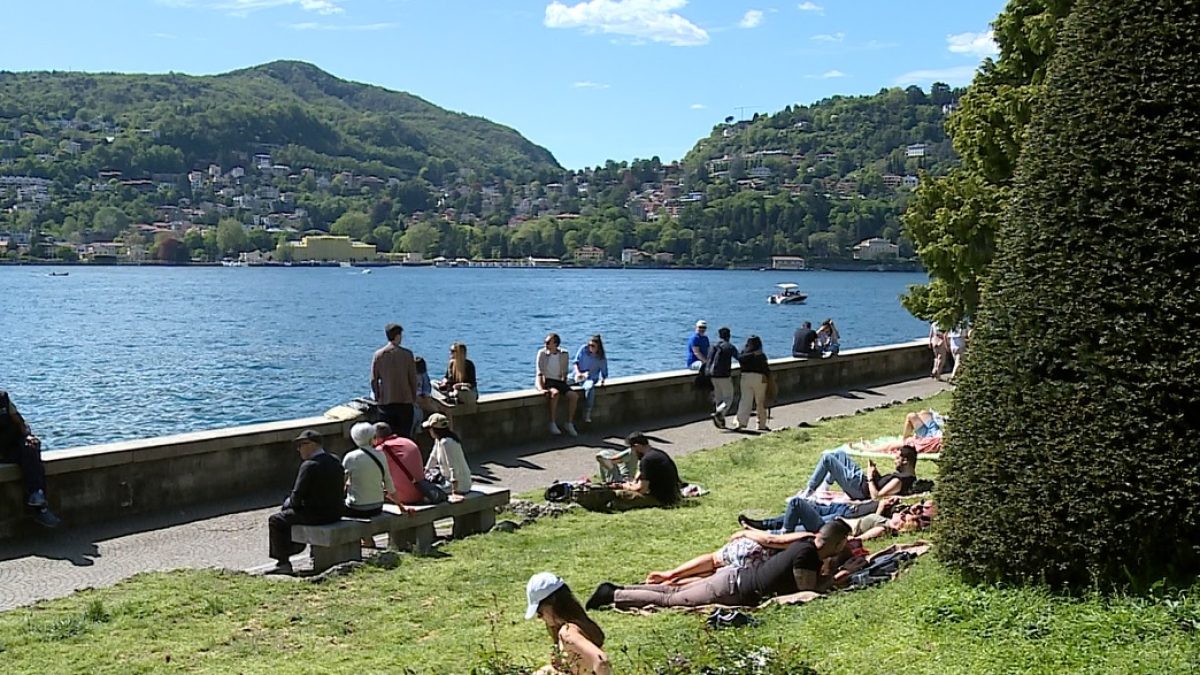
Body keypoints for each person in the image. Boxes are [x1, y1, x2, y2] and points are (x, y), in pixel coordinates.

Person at [587, 520, 852, 610]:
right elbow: (809, 592)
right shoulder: (807, 557)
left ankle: (619, 589)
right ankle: (613, 594)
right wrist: (840, 575)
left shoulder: (805, 544)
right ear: (837, 545)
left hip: (734, 577)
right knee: (672, 599)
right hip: (733, 587)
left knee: (673, 593)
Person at [266, 429, 345, 575]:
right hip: (336, 512)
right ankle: (302, 549)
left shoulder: (309, 465)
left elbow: (297, 498)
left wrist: (288, 503)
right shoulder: (334, 460)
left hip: (316, 515)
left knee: (276, 520)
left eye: (301, 445)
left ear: (311, 444)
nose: (298, 449)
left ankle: (283, 562)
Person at [525, 572, 611, 675]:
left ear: (552, 604)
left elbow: (601, 661)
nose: (540, 618)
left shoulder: (568, 633)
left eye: (539, 612)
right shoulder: (581, 624)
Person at [0, 390, 61, 528]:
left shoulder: (3, 398)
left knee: (31, 447)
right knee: (32, 462)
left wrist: (28, 435)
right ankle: (40, 508)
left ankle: (38, 497)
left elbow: (19, 421)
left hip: (12, 446)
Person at [797, 445, 920, 501]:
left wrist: (871, 477)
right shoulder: (903, 477)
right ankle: (825, 486)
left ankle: (809, 491)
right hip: (861, 481)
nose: (894, 461)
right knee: (840, 454)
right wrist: (875, 474)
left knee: (827, 458)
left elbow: (876, 497)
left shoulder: (900, 480)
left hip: (859, 490)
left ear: (905, 461)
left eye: (897, 458)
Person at [371, 323, 420, 439]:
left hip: (386, 402)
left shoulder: (378, 355)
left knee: (386, 438)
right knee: (404, 437)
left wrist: (378, 396)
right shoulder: (407, 355)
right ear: (397, 336)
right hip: (404, 402)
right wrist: (413, 397)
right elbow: (413, 379)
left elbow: (374, 380)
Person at [343, 422, 394, 518]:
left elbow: (342, 482)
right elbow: (388, 480)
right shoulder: (381, 454)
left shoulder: (350, 457)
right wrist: (400, 505)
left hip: (356, 508)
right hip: (378, 507)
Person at [374, 422, 426, 507]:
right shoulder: (408, 441)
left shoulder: (381, 450)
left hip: (402, 497)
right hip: (421, 491)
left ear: (376, 437)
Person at [536, 333, 579, 437]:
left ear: (555, 344)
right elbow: (539, 372)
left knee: (574, 396)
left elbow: (565, 372)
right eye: (545, 342)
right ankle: (552, 422)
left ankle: (569, 423)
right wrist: (541, 388)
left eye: (548, 342)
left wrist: (566, 382)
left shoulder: (564, 354)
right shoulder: (542, 354)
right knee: (555, 394)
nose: (545, 344)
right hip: (548, 381)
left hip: (559, 381)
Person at [423, 413, 472, 499]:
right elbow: (433, 457)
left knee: (428, 492)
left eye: (430, 429)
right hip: (446, 480)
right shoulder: (438, 440)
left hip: (459, 485)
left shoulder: (447, 443)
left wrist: (454, 491)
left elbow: (452, 466)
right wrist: (425, 472)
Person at [731, 335, 771, 432]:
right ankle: (761, 424)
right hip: (759, 378)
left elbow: (739, 358)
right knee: (760, 402)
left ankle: (741, 422)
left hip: (745, 377)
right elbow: (765, 368)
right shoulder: (760, 355)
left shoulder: (744, 353)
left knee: (745, 400)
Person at [706, 327, 739, 429]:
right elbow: (739, 357)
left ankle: (720, 422)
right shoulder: (729, 347)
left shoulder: (713, 346)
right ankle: (719, 413)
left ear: (719, 335)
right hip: (724, 375)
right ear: (729, 336)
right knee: (728, 398)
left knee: (719, 398)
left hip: (713, 375)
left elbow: (708, 360)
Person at [573, 335, 608, 424]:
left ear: (598, 347)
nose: (590, 347)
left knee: (589, 387)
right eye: (589, 345)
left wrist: (603, 380)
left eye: (593, 346)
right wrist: (578, 373)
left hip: (589, 378)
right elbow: (575, 362)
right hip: (578, 376)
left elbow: (604, 372)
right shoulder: (583, 350)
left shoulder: (601, 358)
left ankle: (587, 412)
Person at [436, 341, 478, 406]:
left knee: (461, 390)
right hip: (451, 389)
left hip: (464, 391)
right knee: (433, 383)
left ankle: (451, 397)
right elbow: (446, 377)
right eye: (450, 351)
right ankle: (450, 397)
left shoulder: (469, 365)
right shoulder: (451, 364)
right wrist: (444, 382)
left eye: (453, 351)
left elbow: (472, 384)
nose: (450, 353)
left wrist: (460, 385)